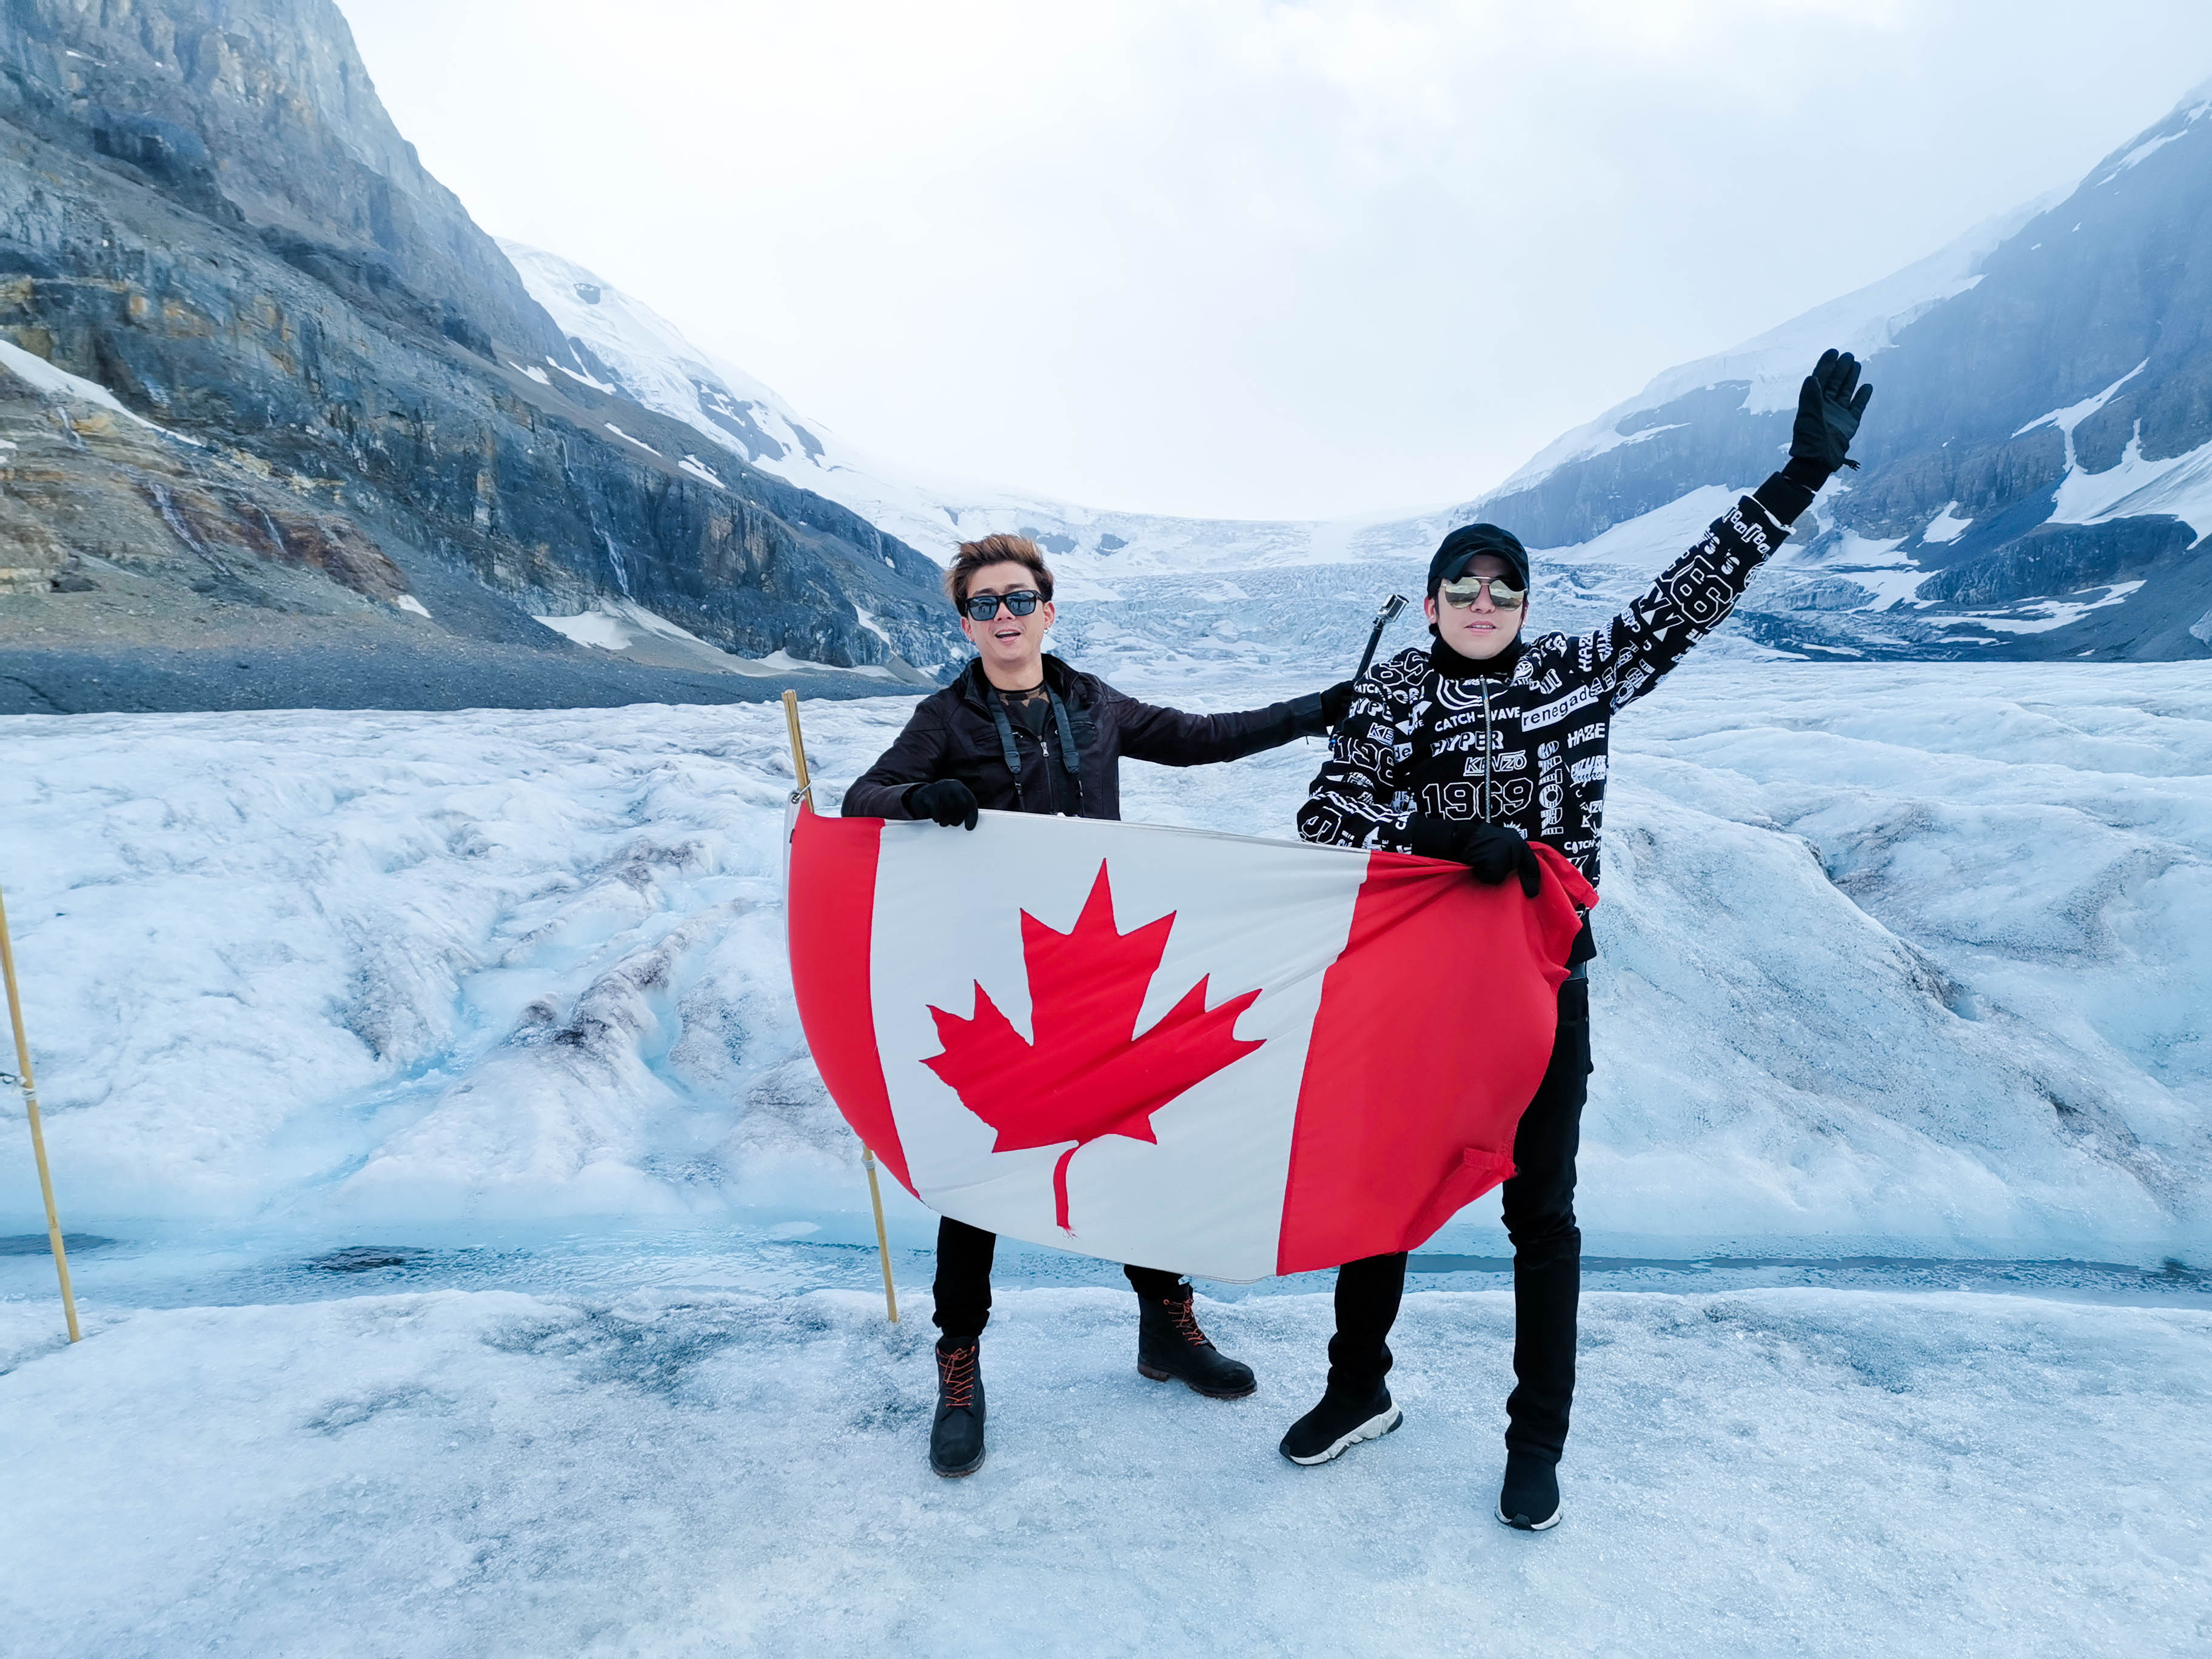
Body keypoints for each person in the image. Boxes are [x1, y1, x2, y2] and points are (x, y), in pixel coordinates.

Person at [1287, 349, 1875, 1530]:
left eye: (1504, 589)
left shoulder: (1580, 677)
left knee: (1540, 1212)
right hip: (1420, 987)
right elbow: (1325, 811)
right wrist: (1448, 834)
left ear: (1526, 602)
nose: (1485, 605)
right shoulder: (1399, 692)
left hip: (1545, 981)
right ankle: (1360, 1391)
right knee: (1387, 1193)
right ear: (1433, 597)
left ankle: (1535, 1442)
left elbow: (1689, 594)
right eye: (1464, 587)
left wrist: (1801, 476)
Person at [843, 531, 1356, 1478]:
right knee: (982, 1171)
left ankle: (1167, 1328)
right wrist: (927, 797)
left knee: (1132, 1143)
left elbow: (1204, 740)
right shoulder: (944, 717)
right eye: (984, 604)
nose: (1003, 616)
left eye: (1018, 598)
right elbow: (862, 796)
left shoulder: (1093, 705)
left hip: (1096, 980)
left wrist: (1318, 710)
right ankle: (961, 1364)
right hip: (1001, 980)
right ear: (966, 622)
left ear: (1049, 608)